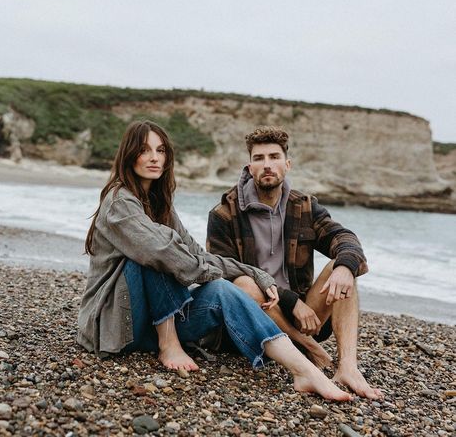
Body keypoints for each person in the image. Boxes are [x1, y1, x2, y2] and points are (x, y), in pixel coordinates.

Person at [77, 120, 353, 401]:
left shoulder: (161, 205)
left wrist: (255, 273)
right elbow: (166, 254)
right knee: (159, 251)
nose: (153, 157)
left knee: (223, 289)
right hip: (115, 325)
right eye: (144, 150)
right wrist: (205, 269)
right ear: (129, 154)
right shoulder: (119, 202)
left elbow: (199, 255)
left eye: (160, 150)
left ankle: (304, 370)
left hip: (150, 322)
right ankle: (169, 343)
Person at [207, 126, 382, 399]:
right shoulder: (224, 213)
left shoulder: (305, 206)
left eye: (274, 157)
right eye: (259, 158)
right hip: (256, 316)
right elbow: (223, 271)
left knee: (341, 267)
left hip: (304, 315)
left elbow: (344, 237)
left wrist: (346, 266)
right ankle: (308, 347)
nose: (267, 165)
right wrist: (290, 301)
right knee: (242, 283)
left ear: (287, 164)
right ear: (249, 166)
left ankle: (348, 367)